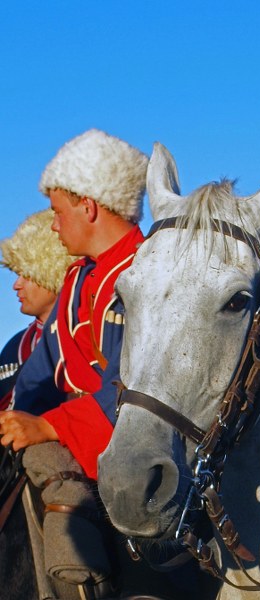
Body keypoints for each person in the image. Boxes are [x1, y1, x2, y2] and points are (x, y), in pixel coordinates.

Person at [0, 128, 148, 479]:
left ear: (88, 206)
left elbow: (134, 382)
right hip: (72, 431)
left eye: (57, 212)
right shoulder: (78, 278)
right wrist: (13, 423)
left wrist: (50, 426)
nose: (53, 226)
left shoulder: (148, 272)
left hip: (126, 446)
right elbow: (40, 371)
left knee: (59, 488)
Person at [0, 209, 74, 410]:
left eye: (27, 275)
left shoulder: (82, 338)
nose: (16, 285)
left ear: (54, 273)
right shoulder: (14, 346)